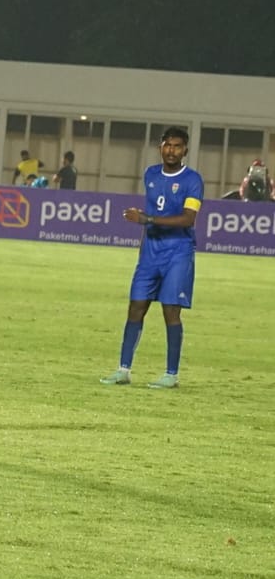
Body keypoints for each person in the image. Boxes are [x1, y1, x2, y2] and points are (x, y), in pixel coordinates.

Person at [100, 126, 203, 389]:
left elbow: (188, 219)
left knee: (171, 311)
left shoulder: (193, 180)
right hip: (150, 254)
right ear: (160, 147)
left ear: (185, 150)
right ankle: (123, 370)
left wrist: (147, 220)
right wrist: (143, 245)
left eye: (177, 146)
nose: (172, 150)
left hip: (178, 252)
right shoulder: (151, 174)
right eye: (168, 145)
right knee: (136, 307)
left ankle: (171, 374)